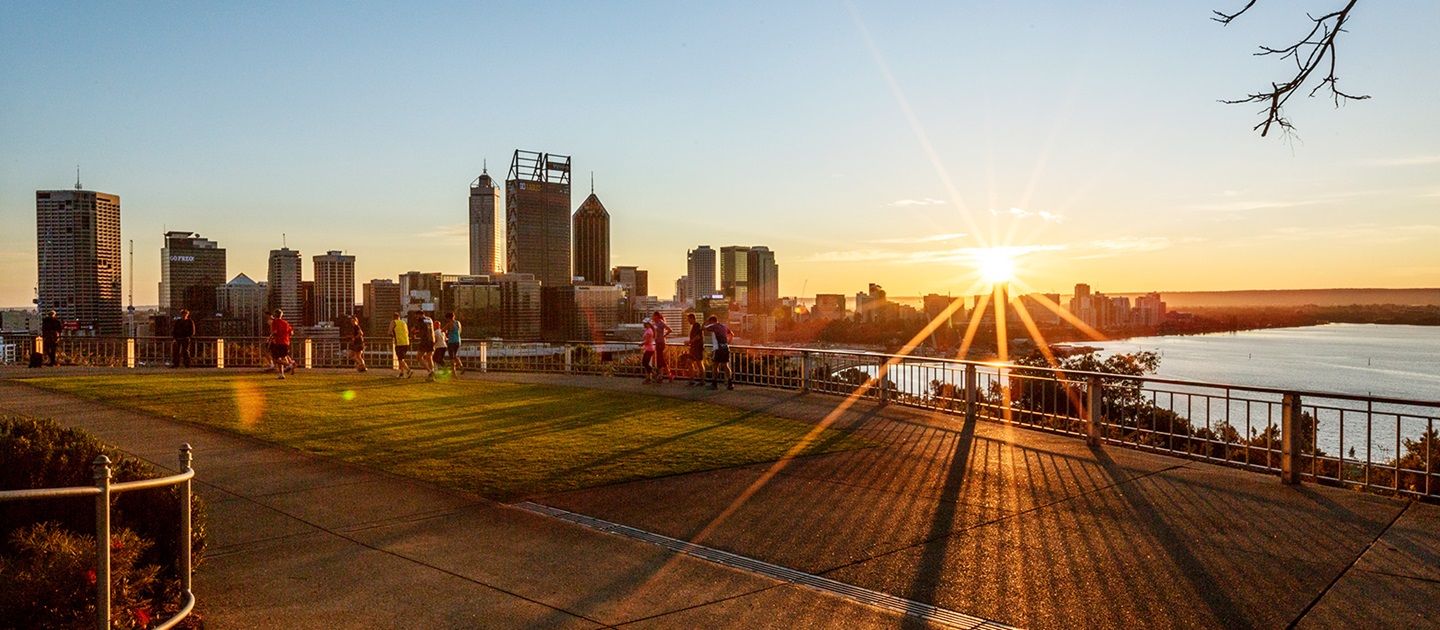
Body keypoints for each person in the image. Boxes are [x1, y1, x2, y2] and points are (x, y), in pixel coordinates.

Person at [703, 315, 733, 390]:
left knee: (715, 366)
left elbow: (702, 328)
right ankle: (730, 383)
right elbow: (731, 334)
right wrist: (728, 342)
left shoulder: (713, 326)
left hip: (717, 348)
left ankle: (714, 383)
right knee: (726, 365)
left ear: (711, 321)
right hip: (725, 347)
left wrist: (705, 322)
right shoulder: (724, 326)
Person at [269, 309, 294, 379]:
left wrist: (270, 338)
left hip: (278, 342)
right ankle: (281, 374)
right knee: (281, 357)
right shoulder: (285, 323)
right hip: (286, 342)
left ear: (275, 315)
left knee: (275, 359)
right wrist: (286, 336)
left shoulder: (275, 322)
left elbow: (275, 332)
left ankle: (289, 365)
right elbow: (291, 332)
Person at [650, 311, 674, 383]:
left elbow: (670, 329)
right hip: (658, 342)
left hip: (661, 343)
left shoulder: (661, 323)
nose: (653, 317)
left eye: (653, 316)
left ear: (656, 316)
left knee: (660, 359)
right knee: (660, 359)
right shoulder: (656, 324)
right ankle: (668, 375)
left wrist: (664, 336)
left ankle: (661, 376)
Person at [388, 311, 412, 378]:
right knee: (401, 359)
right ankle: (402, 373)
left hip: (399, 342)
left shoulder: (393, 322)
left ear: (393, 317)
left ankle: (408, 370)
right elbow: (407, 332)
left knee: (400, 359)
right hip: (406, 342)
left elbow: (389, 332)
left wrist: (391, 334)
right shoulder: (404, 322)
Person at [414, 311, 436, 381]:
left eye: (417, 316)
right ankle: (432, 377)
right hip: (432, 340)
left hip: (424, 340)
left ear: (419, 315)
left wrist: (414, 333)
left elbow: (416, 329)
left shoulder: (420, 320)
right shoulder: (430, 319)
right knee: (429, 357)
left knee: (419, 357)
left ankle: (430, 371)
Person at [684, 312, 704, 386]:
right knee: (690, 362)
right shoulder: (694, 326)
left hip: (697, 348)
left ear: (692, 318)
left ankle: (702, 380)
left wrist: (689, 342)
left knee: (699, 363)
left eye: (688, 319)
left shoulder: (697, 326)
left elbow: (697, 337)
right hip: (693, 348)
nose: (688, 321)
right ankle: (692, 379)